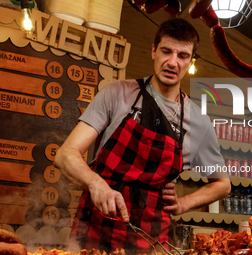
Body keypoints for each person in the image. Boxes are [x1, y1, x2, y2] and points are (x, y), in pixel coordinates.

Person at [54, 18, 231, 254]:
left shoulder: (199, 122)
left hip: (150, 233)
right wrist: (95, 183)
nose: (172, 62)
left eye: (182, 55)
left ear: (190, 61)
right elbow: (66, 153)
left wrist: (183, 203)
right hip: (95, 222)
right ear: (153, 51)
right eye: (166, 51)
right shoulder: (117, 94)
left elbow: (223, 184)